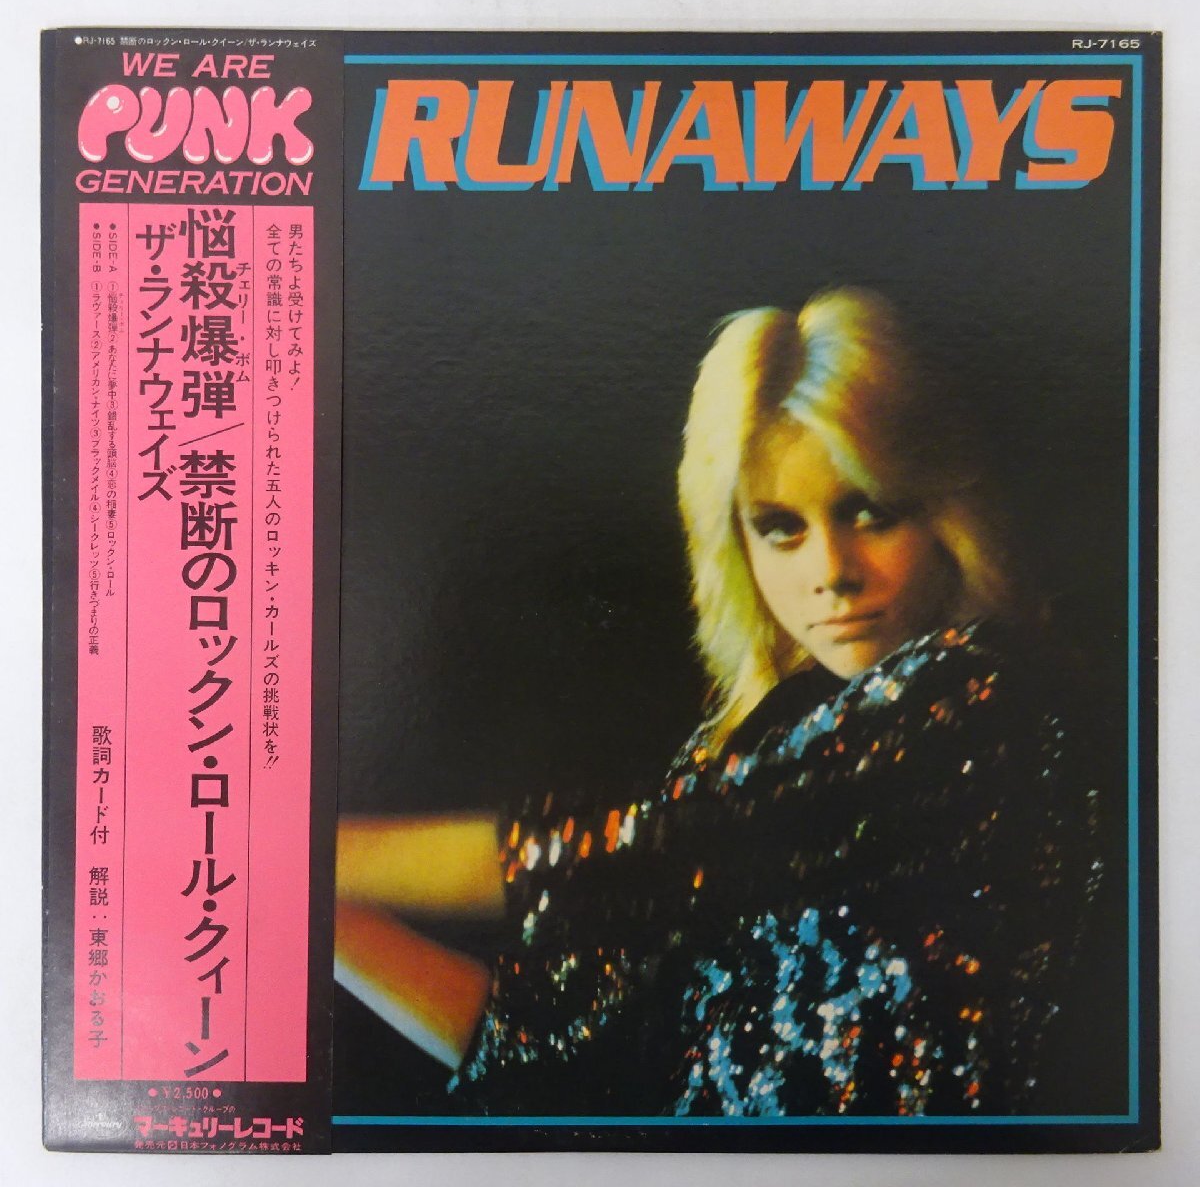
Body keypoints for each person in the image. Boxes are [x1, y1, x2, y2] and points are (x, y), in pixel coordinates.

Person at [335, 287, 1101, 1117]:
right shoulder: (754, 744)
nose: (831, 570)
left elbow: (645, 852)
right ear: (737, 542)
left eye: (870, 512)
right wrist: (314, 915)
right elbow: (561, 1055)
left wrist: (303, 853)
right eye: (781, 527)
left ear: (945, 514)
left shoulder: (987, 698)